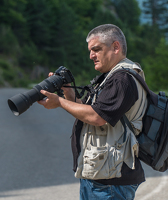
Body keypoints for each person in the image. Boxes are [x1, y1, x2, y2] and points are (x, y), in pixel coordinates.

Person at [37, 24, 147, 200]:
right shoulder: (110, 76)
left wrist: (59, 102)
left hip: (112, 181)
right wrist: (68, 92)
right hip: (100, 175)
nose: (91, 56)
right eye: (90, 51)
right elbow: (89, 111)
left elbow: (97, 117)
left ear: (116, 47)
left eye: (96, 49)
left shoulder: (123, 78)